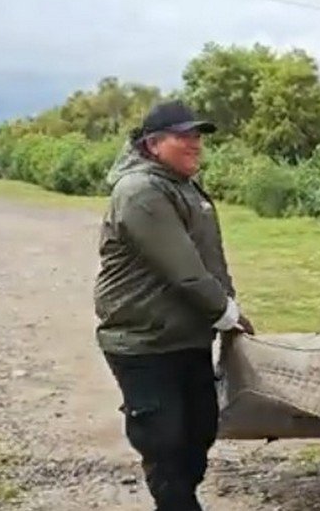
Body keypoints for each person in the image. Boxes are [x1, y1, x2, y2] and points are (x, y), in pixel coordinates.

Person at [93, 100, 255, 510]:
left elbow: (207, 259)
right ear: (153, 144)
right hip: (143, 342)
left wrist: (226, 300)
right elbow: (184, 271)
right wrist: (227, 314)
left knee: (199, 431)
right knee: (163, 442)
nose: (195, 143)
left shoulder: (181, 186)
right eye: (184, 136)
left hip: (186, 338)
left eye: (197, 135)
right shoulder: (140, 191)